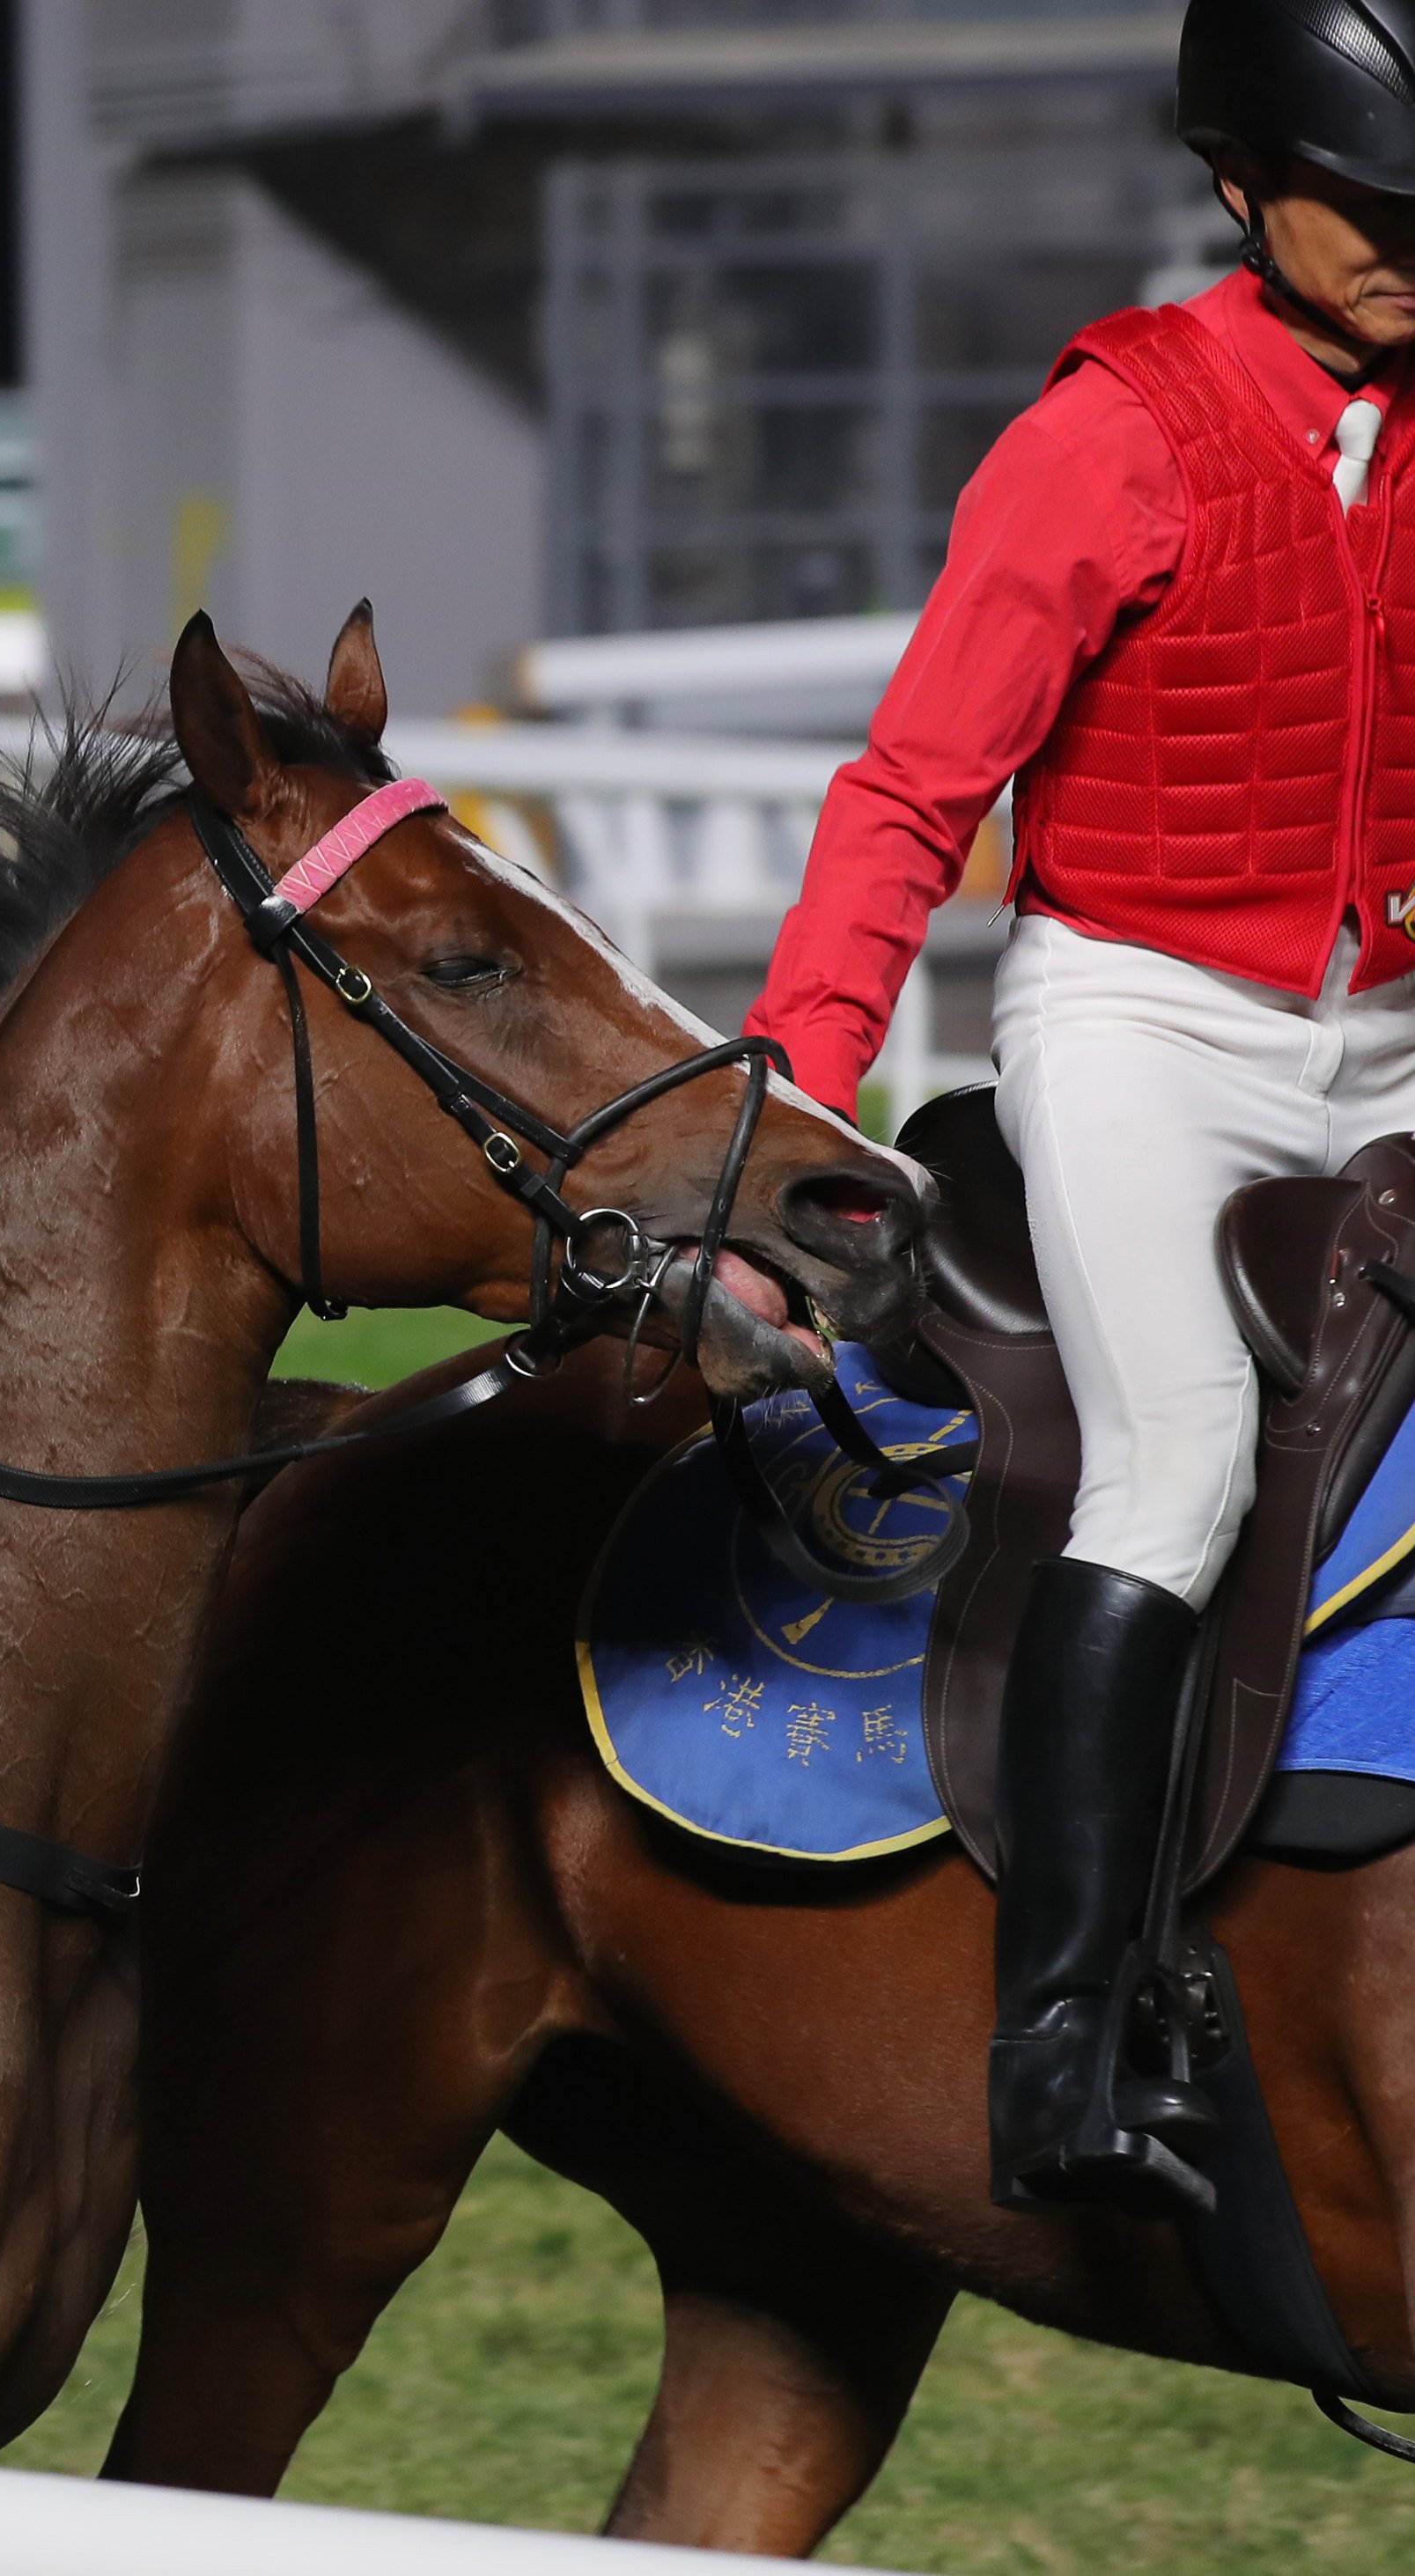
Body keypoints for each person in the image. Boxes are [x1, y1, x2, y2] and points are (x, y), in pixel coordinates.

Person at [745, 0, 1415, 2216]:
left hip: (1395, 1027)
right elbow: (914, 787)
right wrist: (799, 1095)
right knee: (1184, 1459)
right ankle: (1063, 2044)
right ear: (1240, 184)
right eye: (1376, 213)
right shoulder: (1113, 433)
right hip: (1144, 1023)